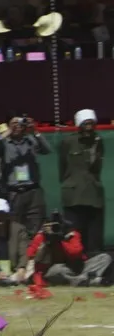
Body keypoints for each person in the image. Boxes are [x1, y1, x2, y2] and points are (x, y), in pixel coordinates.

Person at [0, 114, 51, 236]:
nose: (18, 126)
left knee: (36, 224)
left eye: (20, 123)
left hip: (33, 190)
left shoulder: (31, 140)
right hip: (14, 191)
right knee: (15, 226)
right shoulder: (4, 142)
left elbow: (47, 150)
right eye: (14, 123)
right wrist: (9, 131)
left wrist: (35, 131)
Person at [60, 108, 105, 255]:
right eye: (86, 124)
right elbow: (62, 167)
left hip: (94, 196)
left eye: (92, 124)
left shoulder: (98, 142)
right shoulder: (68, 142)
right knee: (74, 238)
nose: (89, 127)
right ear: (79, 125)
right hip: (73, 197)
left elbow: (97, 168)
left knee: (94, 238)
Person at [27, 211, 112, 286]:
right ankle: (87, 280)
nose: (55, 229)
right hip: (59, 269)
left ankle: (82, 279)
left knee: (105, 258)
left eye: (57, 226)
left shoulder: (72, 235)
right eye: (52, 227)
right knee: (57, 269)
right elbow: (31, 256)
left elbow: (76, 253)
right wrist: (46, 243)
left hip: (78, 267)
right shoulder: (41, 236)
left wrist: (61, 241)